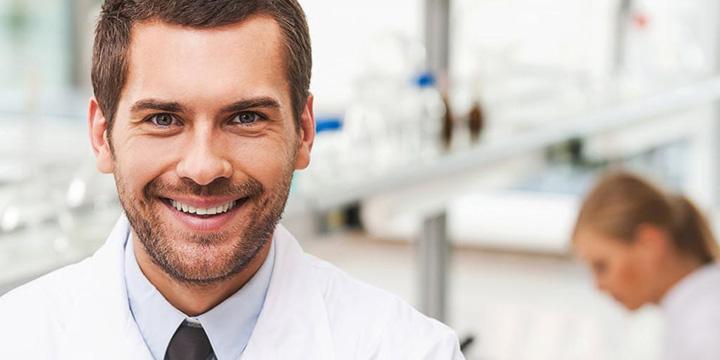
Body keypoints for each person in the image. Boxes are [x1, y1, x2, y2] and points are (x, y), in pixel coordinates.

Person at [0, 1, 463, 359]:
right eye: (163, 119)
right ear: (103, 136)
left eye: (244, 118)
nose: (203, 168)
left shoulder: (410, 350)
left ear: (304, 132)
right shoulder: (16, 340)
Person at [573, 171, 720, 360]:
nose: (598, 285)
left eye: (602, 266)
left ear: (649, 243)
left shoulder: (706, 324)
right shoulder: (692, 314)